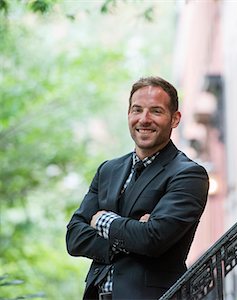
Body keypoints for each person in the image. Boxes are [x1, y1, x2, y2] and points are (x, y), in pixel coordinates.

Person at [66, 76, 209, 300]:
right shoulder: (108, 170)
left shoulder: (188, 174)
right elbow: (74, 236)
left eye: (156, 111)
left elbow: (153, 239)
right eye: (137, 110)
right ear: (129, 114)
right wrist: (131, 233)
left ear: (175, 119)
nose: (144, 119)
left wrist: (104, 222)